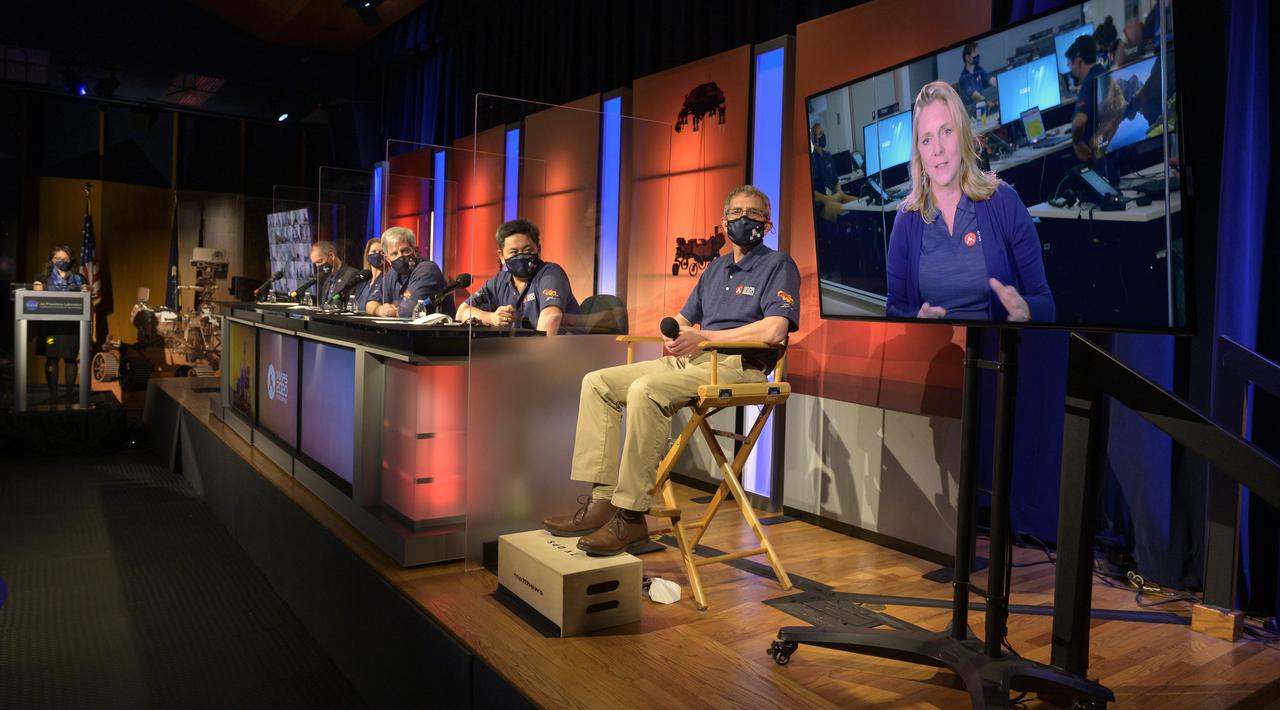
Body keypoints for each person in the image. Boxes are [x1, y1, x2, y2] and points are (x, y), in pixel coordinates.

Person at [543, 185, 801, 555]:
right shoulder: (715, 268)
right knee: (598, 382)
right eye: (737, 212)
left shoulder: (778, 265)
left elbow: (775, 330)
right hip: (694, 360)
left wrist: (704, 337)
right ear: (724, 222)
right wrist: (676, 334)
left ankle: (631, 517)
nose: (745, 219)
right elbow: (684, 319)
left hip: (736, 367)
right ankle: (603, 501)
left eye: (755, 213)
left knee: (645, 390)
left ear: (768, 223)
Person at [885, 81, 1054, 322]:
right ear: (919, 152)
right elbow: (894, 308)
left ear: (963, 135)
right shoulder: (906, 220)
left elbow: (1046, 304)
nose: (937, 149)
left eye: (946, 131)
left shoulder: (1003, 201)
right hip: (936, 353)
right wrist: (916, 319)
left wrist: (1026, 310)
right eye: (926, 139)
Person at [455, 218, 579, 334]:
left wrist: (535, 356)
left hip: (563, 353)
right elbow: (462, 312)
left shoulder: (551, 274)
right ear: (501, 256)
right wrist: (491, 318)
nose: (521, 256)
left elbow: (551, 316)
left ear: (539, 250)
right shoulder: (499, 282)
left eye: (527, 250)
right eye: (514, 252)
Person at [31, 244, 88, 403]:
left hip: (71, 326)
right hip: (49, 327)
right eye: (57, 258)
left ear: (71, 260)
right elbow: (37, 297)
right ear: (51, 260)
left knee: (70, 359)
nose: (61, 261)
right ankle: (53, 395)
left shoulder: (79, 278)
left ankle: (69, 395)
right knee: (51, 359)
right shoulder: (42, 277)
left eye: (65, 258)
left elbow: (86, 298)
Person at [369, 226, 451, 318]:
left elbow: (408, 311)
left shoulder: (426, 270)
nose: (401, 257)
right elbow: (370, 304)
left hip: (433, 331)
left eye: (405, 251)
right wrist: (379, 310)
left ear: (415, 250)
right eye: (394, 253)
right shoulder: (392, 273)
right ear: (388, 259)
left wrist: (393, 310)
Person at [1066, 35, 1107, 163]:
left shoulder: (1089, 83)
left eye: (1069, 64)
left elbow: (1079, 121)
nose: (1070, 69)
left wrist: (1077, 143)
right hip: (1111, 150)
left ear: (1078, 62)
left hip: (1098, 157)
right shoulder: (1104, 73)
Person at [810, 122, 855, 225]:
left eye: (823, 133)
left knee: (860, 205)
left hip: (836, 195)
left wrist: (839, 191)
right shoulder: (812, 161)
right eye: (820, 134)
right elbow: (813, 192)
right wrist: (828, 199)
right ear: (814, 139)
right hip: (824, 202)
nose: (823, 136)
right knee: (846, 213)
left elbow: (836, 179)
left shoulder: (828, 156)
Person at [309, 241, 359, 306]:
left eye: (319, 261)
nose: (318, 266)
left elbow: (352, 305)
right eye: (315, 263)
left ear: (331, 256)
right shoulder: (327, 281)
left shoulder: (352, 275)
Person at [353, 237, 387, 314]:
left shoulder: (387, 279)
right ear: (367, 256)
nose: (377, 254)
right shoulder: (364, 279)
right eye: (374, 251)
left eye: (381, 252)